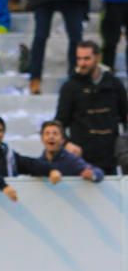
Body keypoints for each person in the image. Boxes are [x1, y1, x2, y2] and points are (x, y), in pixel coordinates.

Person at [55, 40, 127, 175]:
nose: (82, 63)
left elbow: (125, 116)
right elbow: (60, 121)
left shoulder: (114, 84)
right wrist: (67, 144)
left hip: (110, 155)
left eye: (86, 58)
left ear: (97, 58)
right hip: (81, 159)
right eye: (79, 59)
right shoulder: (70, 87)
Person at [0, 115, 61, 202]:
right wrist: (2, 186)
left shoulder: (8, 154)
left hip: (5, 205)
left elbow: (29, 164)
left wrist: (50, 170)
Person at [39, 120, 104, 183]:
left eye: (55, 133)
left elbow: (98, 172)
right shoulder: (39, 162)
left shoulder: (71, 160)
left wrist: (92, 175)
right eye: (47, 133)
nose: (51, 137)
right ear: (42, 139)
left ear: (63, 140)